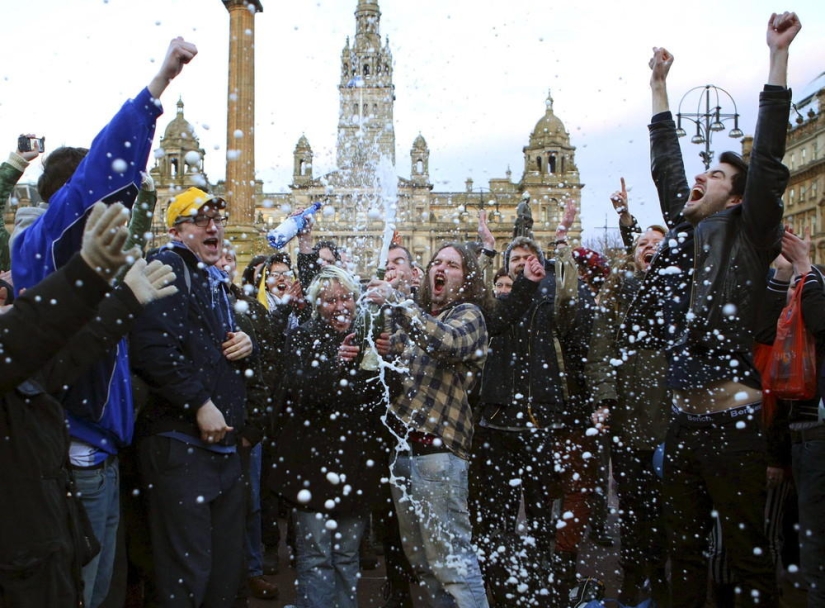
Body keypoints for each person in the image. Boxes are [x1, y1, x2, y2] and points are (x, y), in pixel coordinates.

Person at [8, 37, 197, 608]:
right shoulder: (51, 239)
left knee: (101, 589)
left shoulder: (53, 245)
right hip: (76, 448)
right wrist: (156, 89)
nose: (114, 207)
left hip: (94, 447)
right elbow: (103, 167)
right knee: (80, 591)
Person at [621, 13, 801, 606]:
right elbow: (667, 166)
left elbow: (768, 158)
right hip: (683, 424)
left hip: (732, 426)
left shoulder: (750, 233)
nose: (701, 176)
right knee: (684, 552)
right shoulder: (686, 230)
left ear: (738, 196)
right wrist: (658, 88)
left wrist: (777, 59)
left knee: (747, 558)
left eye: (717, 175)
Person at [0, 202, 176, 608]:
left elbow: (68, 356)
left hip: (46, 540)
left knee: (97, 588)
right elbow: (22, 341)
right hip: (22, 560)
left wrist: (127, 299)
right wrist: (85, 275)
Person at [130, 187, 255, 607]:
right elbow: (151, 349)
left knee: (223, 574)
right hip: (181, 446)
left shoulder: (211, 279)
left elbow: (207, 347)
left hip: (220, 450)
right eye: (200, 220)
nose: (213, 226)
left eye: (217, 219)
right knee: (186, 576)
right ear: (175, 231)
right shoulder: (168, 266)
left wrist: (247, 343)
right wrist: (200, 403)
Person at [472, 201, 596, 607]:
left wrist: (561, 245)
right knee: (499, 511)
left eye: (530, 258)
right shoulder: (496, 304)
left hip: (539, 416)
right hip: (496, 418)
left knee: (541, 506)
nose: (523, 264)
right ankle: (501, 581)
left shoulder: (550, 300)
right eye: (516, 259)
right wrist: (488, 251)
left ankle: (545, 575)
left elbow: (572, 299)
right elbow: (478, 298)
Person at [365, 243, 490, 608]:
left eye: (452, 264)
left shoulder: (469, 314)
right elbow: (393, 362)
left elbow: (446, 342)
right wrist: (376, 338)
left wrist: (399, 303)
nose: (441, 268)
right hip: (403, 454)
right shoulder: (417, 316)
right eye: (437, 262)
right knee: (423, 564)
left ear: (467, 278)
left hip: (439, 451)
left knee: (453, 564)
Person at [269, 265, 393, 608]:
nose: (340, 306)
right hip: (312, 466)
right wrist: (333, 366)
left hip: (356, 465)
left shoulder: (367, 337)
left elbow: (381, 399)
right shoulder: (302, 336)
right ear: (316, 305)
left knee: (347, 557)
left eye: (346, 298)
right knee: (317, 557)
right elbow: (298, 391)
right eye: (330, 300)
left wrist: (387, 358)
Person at [585, 214, 668, 605]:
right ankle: (634, 578)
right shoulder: (617, 295)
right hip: (629, 415)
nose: (648, 247)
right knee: (633, 504)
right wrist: (603, 400)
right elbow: (599, 353)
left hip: (672, 415)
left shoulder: (683, 292)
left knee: (668, 505)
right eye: (641, 244)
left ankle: (663, 578)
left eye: (657, 242)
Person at [757, 228, 824, 606]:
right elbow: (767, 329)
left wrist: (803, 267)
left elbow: (820, 322)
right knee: (804, 530)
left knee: (814, 536)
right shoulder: (805, 286)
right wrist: (786, 272)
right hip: (800, 432)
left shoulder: (814, 287)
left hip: (815, 432)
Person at [218, 247, 281, 602]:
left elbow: (268, 367)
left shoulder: (252, 310)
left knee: (250, 503)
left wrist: (255, 425)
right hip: (206, 423)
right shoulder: (193, 303)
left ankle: (252, 570)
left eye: (229, 259)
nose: (223, 264)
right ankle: (226, 577)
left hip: (244, 425)